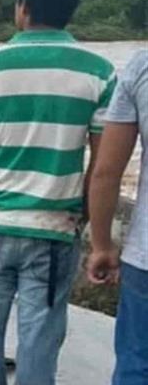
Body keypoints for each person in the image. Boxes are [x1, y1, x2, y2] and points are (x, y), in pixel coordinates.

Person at [0, 0, 115, 385]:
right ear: (72, 8)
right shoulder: (99, 72)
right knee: (39, 337)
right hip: (54, 229)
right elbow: (103, 167)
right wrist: (90, 226)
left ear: (22, 6)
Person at [86, 50, 148, 384]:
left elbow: (106, 173)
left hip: (146, 258)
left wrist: (101, 245)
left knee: (138, 364)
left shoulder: (141, 67)